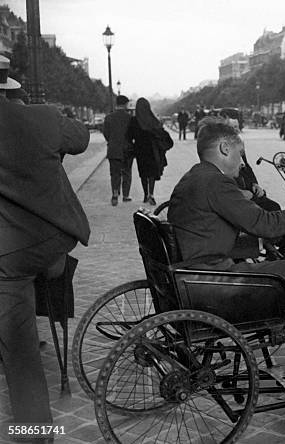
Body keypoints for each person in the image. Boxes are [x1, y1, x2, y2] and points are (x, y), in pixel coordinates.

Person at [0, 56, 90, 442]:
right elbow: (82, 138)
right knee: (21, 349)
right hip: (45, 240)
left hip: (7, 251)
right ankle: (35, 435)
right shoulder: (40, 117)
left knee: (14, 338)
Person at [167, 120, 285, 328]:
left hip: (189, 275)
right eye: (240, 154)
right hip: (208, 281)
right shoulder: (216, 182)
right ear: (224, 148)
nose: (243, 163)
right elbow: (265, 223)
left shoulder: (193, 176)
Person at [127, 97, 173, 206]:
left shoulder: (134, 120)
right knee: (151, 173)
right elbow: (160, 132)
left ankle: (145, 194)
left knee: (143, 173)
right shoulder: (153, 119)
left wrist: (134, 145)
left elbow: (129, 136)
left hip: (140, 150)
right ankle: (151, 194)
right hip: (152, 150)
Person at [103, 95, 134, 206]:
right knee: (127, 173)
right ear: (125, 104)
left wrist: (112, 141)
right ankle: (126, 195)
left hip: (113, 149)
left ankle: (115, 194)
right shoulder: (130, 118)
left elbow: (106, 133)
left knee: (114, 173)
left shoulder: (109, 117)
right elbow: (132, 134)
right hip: (127, 149)